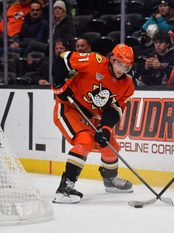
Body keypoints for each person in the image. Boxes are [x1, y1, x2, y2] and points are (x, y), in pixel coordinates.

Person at [51, 43, 135, 204]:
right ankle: (65, 188)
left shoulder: (127, 85)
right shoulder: (93, 61)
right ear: (111, 59)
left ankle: (110, 179)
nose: (121, 70)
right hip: (69, 107)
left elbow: (115, 109)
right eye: (119, 64)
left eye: (126, 67)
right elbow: (62, 59)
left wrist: (106, 128)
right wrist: (59, 83)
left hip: (93, 116)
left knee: (109, 143)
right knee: (85, 141)